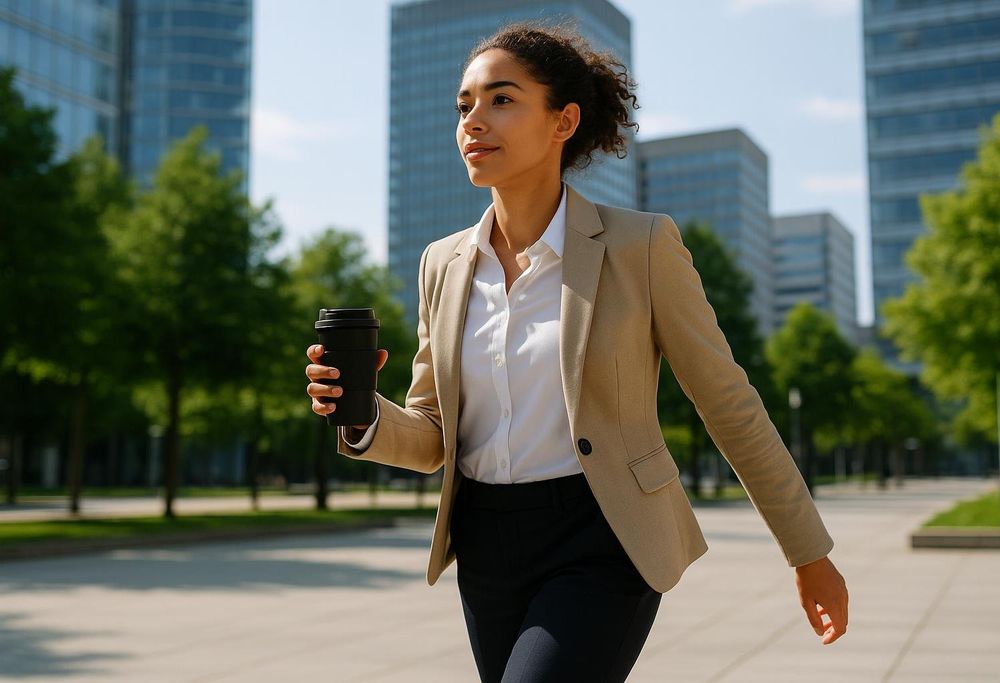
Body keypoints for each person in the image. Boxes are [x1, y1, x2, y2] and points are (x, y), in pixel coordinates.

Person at [305, 19, 849, 682]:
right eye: (464, 105)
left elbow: (728, 401)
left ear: (563, 122)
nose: (474, 119)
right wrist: (361, 414)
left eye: (501, 99)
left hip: (604, 535)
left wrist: (807, 550)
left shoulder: (640, 247)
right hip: (485, 545)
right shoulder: (441, 264)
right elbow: (433, 435)